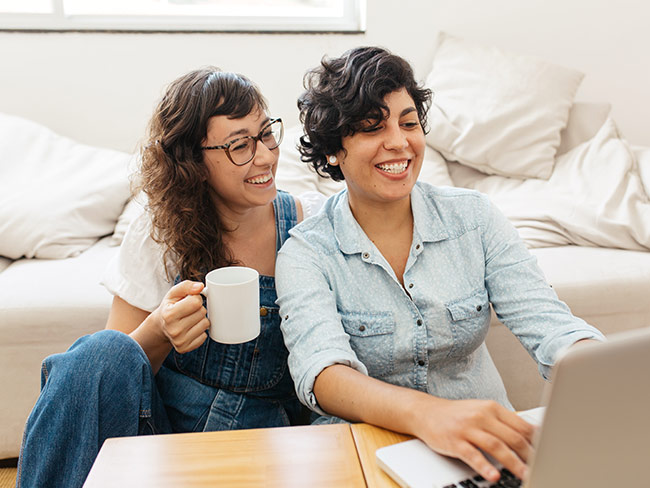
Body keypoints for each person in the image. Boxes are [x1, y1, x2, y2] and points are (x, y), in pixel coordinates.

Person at [275, 46, 605, 484]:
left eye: (409, 123)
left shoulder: (475, 218)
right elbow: (324, 374)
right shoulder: (306, 252)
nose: (399, 142)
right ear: (334, 150)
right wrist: (431, 417)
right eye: (373, 127)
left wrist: (600, 367)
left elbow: (548, 322)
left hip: (487, 456)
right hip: (367, 454)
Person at [16, 67, 324, 488]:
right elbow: (113, 376)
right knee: (100, 351)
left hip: (260, 449)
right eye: (239, 145)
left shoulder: (307, 225)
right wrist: (159, 330)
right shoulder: (159, 230)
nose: (266, 156)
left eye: (266, 133)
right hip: (161, 442)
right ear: (193, 161)